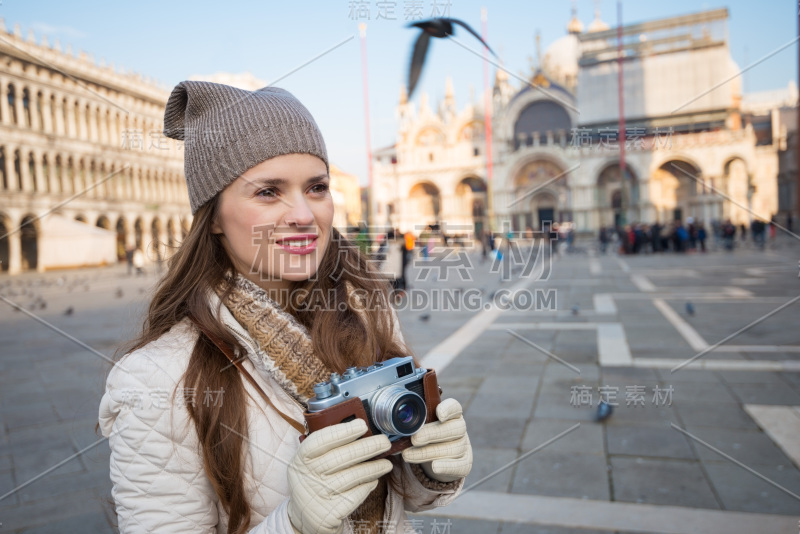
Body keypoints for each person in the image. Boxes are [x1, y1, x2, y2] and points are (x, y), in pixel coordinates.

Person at [98, 81, 472, 534]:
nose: (303, 214)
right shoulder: (155, 381)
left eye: (317, 188)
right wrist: (294, 524)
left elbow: (401, 497)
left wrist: (429, 469)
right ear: (213, 216)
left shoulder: (366, 311)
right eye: (268, 192)